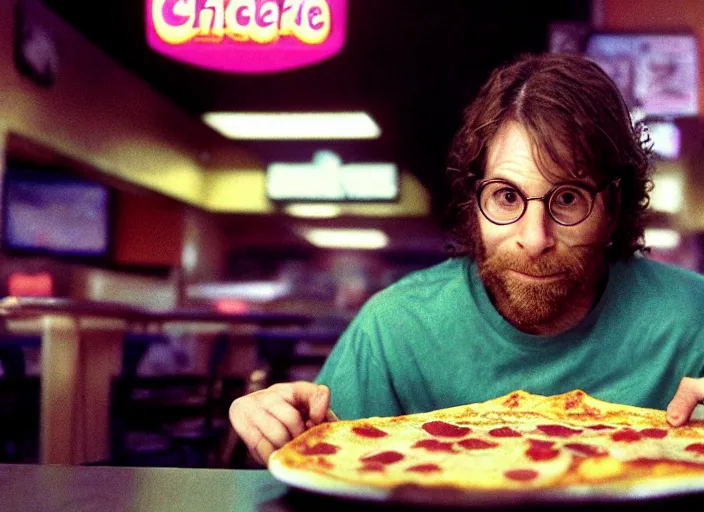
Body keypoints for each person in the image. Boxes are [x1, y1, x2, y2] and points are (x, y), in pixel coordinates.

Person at [229, 53, 704, 466]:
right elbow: (318, 473)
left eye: (567, 200)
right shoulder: (395, 329)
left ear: (613, 207)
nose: (534, 238)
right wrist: (277, 426)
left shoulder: (693, 320)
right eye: (505, 196)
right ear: (473, 202)